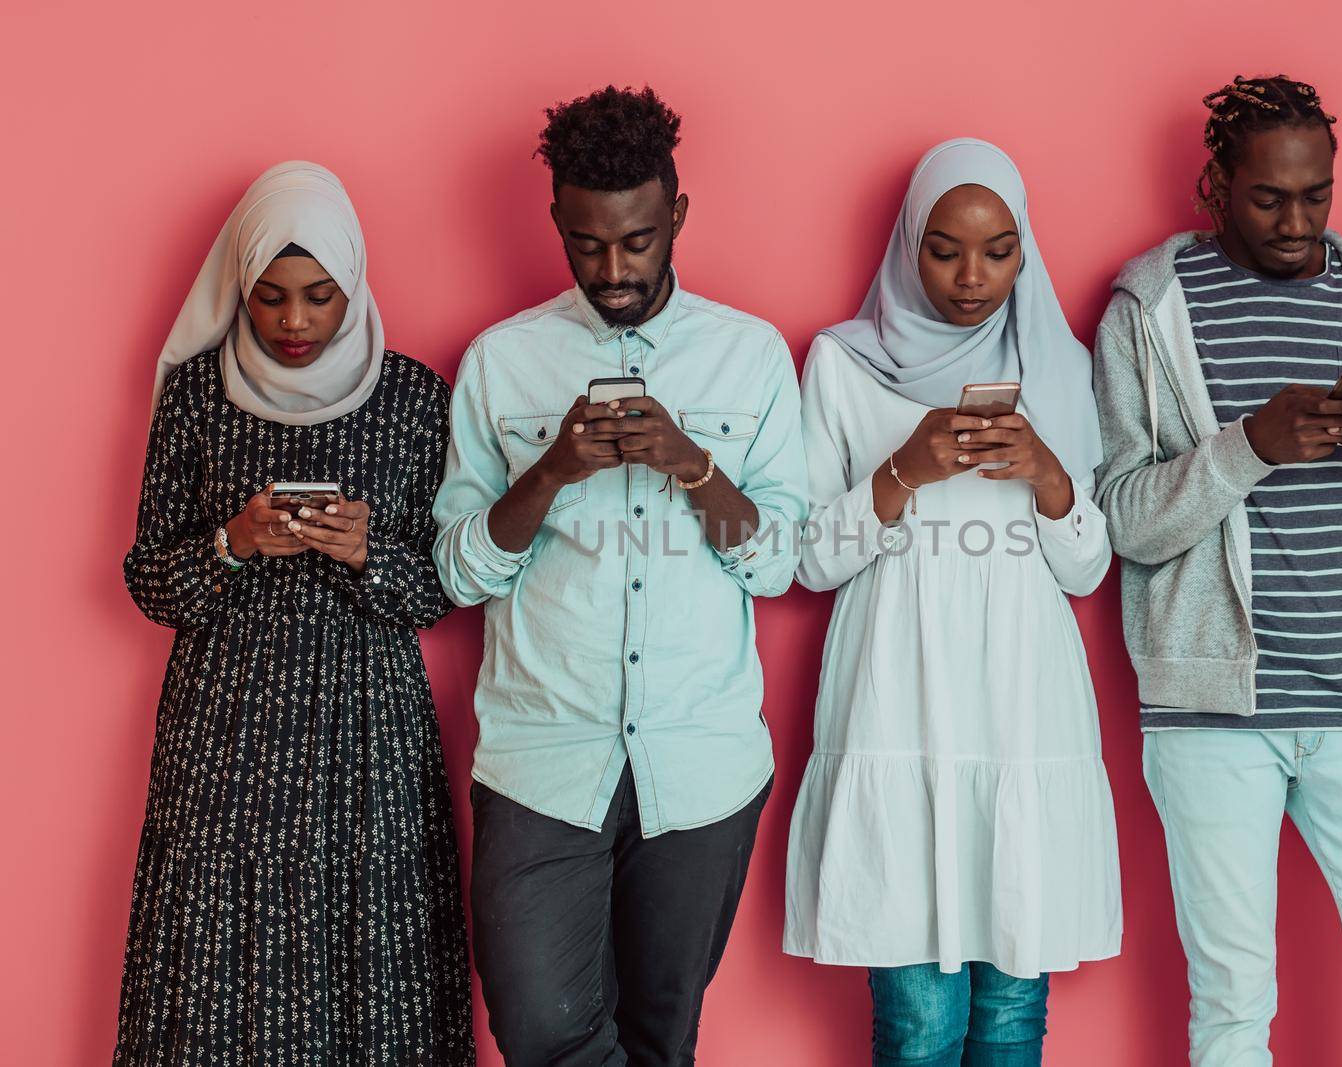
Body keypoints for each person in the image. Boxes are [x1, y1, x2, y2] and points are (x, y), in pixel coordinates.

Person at [432, 86, 807, 1067]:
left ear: (674, 214)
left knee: (659, 1035)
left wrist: (691, 461)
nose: (613, 269)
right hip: (540, 758)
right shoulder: (500, 362)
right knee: (544, 1026)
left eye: (637, 240)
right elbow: (459, 572)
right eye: (588, 243)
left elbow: (776, 564)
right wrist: (551, 469)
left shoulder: (749, 356)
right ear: (556, 221)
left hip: (703, 760)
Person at [1092, 75, 1342, 1064]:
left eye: (1316, 194)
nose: (1297, 222)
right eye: (1269, 198)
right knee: (1230, 1012)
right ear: (1214, 185)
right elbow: (1123, 516)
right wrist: (1247, 443)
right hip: (1209, 711)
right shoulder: (1148, 307)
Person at [117, 162, 473, 1064]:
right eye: (270, 297)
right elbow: (149, 582)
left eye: (321, 296)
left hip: (368, 729)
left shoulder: (414, 399)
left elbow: (442, 590)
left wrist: (365, 552)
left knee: (372, 944)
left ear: (353, 283)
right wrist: (233, 541)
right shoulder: (197, 398)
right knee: (214, 947)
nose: (295, 322)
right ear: (240, 287)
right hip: (224, 726)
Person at [784, 138, 1120, 1067]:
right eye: (944, 249)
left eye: (999, 250)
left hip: (1023, 710)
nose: (973, 277)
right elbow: (809, 558)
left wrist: (1050, 476)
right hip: (898, 702)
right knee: (920, 1025)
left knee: (1013, 1019)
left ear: (1025, 250)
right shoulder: (844, 367)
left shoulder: (1061, 365)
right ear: (907, 242)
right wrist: (904, 470)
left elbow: (1086, 569)